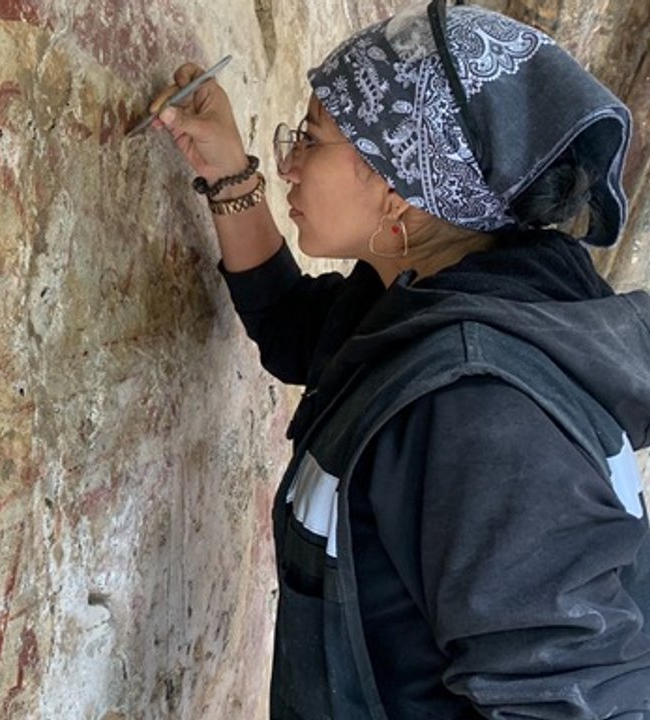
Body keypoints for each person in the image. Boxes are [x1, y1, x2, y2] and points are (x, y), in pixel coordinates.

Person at [147, 0, 650, 717]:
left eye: (311, 139)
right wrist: (229, 176)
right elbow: (294, 329)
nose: (287, 160)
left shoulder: (480, 408)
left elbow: (567, 700)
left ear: (397, 187)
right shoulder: (451, 298)